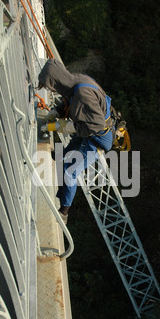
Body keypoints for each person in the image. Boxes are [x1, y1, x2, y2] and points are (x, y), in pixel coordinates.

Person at [38, 59, 114, 223]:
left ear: (54, 82)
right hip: (89, 133)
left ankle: (64, 211)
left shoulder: (82, 93)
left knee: (69, 171)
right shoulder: (77, 80)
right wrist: (56, 111)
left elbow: (96, 125)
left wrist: (66, 126)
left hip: (97, 140)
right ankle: (59, 157)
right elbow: (69, 100)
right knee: (68, 150)